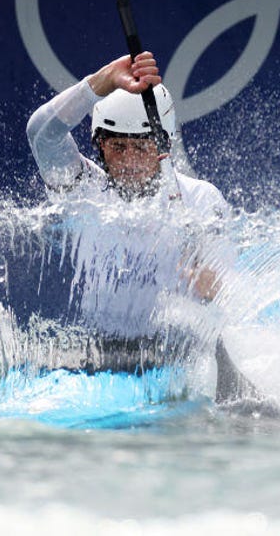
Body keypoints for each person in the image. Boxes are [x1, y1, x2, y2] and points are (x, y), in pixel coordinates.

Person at [24, 51, 230, 370]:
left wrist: (214, 287)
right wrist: (101, 82)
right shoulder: (82, 189)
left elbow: (234, 292)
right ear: (100, 146)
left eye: (141, 147)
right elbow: (42, 134)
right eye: (119, 147)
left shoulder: (201, 199)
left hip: (173, 357)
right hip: (96, 354)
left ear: (163, 146)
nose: (130, 160)